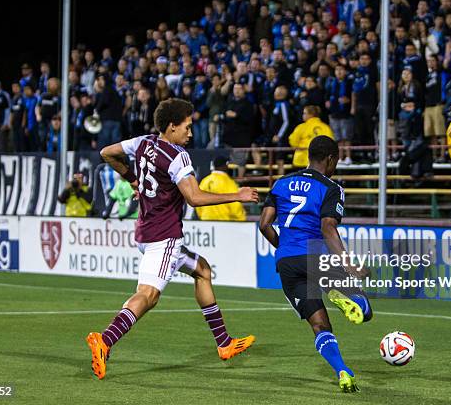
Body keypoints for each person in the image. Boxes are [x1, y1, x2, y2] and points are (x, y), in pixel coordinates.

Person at [87, 98, 258, 380]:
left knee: (202, 270)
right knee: (148, 295)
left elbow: (107, 152)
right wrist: (236, 195)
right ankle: (105, 340)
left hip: (145, 231)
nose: (191, 133)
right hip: (164, 238)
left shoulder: (143, 142)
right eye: (187, 127)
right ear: (171, 127)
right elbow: (194, 197)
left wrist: (133, 179)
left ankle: (224, 343)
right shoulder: (178, 157)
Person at [259, 135, 372, 393]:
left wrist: (285, 249)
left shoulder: (281, 183)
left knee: (320, 325)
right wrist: (349, 265)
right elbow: (328, 227)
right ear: (331, 159)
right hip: (315, 257)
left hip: (287, 262)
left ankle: (343, 370)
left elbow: (264, 224)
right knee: (364, 310)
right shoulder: (331, 187)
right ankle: (340, 295)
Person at [196, 155, 246, 221]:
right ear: (225, 166)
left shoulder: (205, 181)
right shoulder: (228, 182)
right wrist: (241, 220)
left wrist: (201, 216)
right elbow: (235, 204)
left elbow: (198, 201)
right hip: (224, 222)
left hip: (205, 220)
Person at [95, 73, 123, 149]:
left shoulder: (107, 89)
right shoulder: (114, 90)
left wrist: (97, 109)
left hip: (107, 121)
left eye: (101, 79)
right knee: (115, 145)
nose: (99, 82)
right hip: (117, 120)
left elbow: (104, 102)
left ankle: (103, 161)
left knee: (105, 144)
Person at [10, 82, 26, 152]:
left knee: (22, 142)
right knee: (15, 142)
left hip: (21, 124)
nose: (15, 89)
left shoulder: (23, 97)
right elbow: (12, 112)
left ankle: (23, 156)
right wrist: (10, 122)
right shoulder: (13, 99)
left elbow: (25, 110)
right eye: (13, 87)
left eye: (16, 87)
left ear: (20, 88)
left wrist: (23, 122)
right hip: (15, 124)